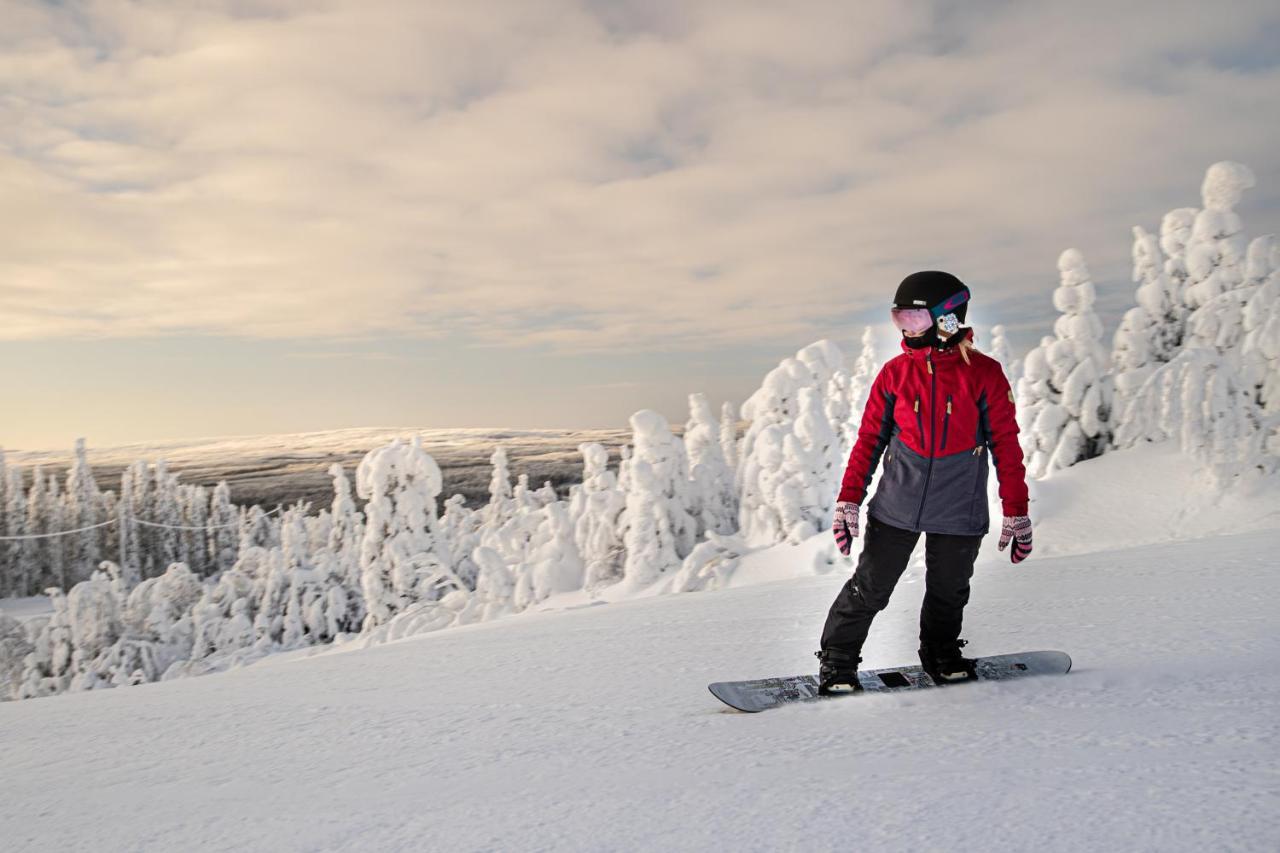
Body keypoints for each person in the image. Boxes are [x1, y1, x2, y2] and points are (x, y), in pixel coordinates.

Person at [815, 270, 1033, 694]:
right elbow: (869, 442)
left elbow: (1007, 445)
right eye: (900, 321)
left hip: (959, 504)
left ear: (948, 319)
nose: (906, 332)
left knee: (948, 590)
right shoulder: (895, 374)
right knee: (870, 587)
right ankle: (838, 659)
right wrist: (849, 501)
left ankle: (941, 652)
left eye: (914, 321)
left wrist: (1017, 512)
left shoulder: (984, 374)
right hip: (898, 502)